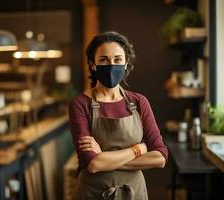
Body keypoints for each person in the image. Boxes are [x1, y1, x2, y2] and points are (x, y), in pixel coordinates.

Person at [68, 31, 168, 200]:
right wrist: (139, 149)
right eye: (104, 60)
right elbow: (93, 164)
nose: (111, 65)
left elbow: (160, 157)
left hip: (134, 193)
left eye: (117, 60)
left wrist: (105, 158)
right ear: (93, 64)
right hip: (93, 194)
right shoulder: (80, 104)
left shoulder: (139, 102)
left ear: (126, 63)